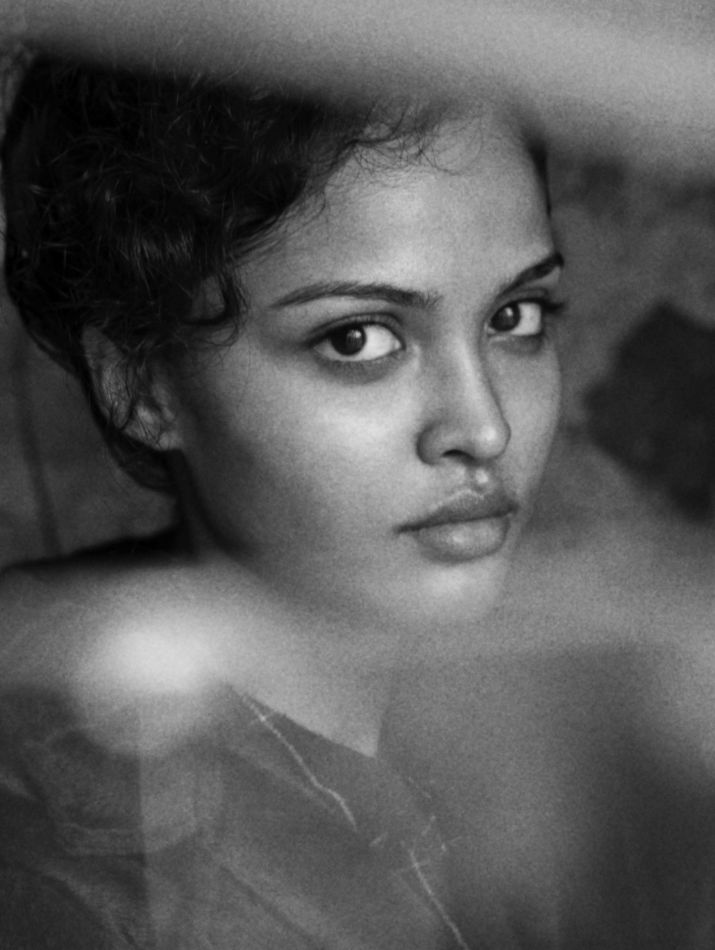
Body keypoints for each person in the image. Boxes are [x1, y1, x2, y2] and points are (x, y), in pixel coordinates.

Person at [0, 53, 564, 949]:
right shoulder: (57, 876)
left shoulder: (587, 707)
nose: (483, 428)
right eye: (358, 338)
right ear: (141, 386)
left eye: (514, 318)